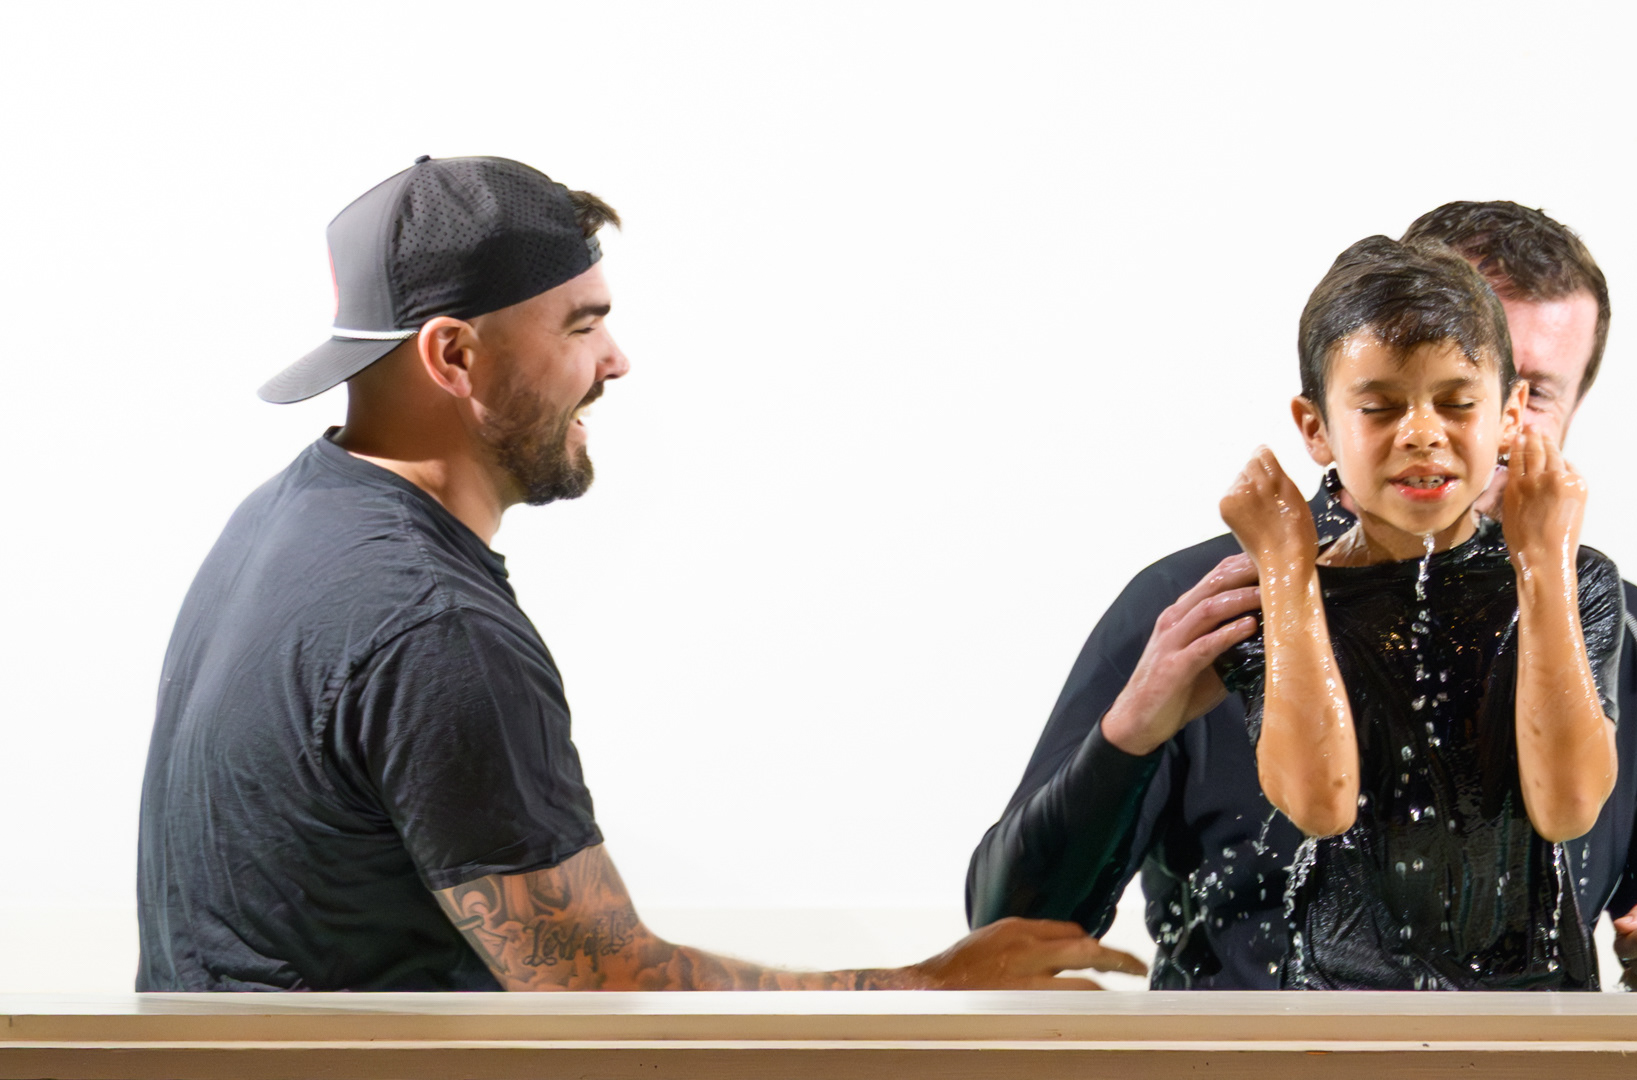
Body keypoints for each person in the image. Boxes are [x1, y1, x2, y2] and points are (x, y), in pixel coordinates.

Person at [136, 155, 1144, 992]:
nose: (615, 361)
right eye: (580, 326)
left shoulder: (283, 523)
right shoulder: (433, 625)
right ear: (454, 357)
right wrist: (926, 990)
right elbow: (599, 992)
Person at [968, 201, 1637, 992]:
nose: (1432, 430)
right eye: (1401, 379)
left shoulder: (1631, 633)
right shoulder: (1206, 605)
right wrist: (1126, 739)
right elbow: (1005, 934)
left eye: (1523, 388)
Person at [1210, 236, 1622, 989]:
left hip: (1536, 1006)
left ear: (1510, 414)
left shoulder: (1576, 580)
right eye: (1379, 408)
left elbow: (1568, 807)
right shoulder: (1278, 600)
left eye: (1458, 404)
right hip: (1341, 1009)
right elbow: (1320, 803)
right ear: (1316, 428)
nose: (1423, 432)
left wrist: (1543, 563)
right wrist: (1289, 574)